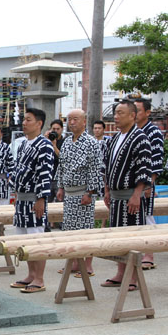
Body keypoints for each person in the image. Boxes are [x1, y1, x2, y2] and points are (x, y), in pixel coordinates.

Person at [100, 100, 152, 291]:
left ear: (132, 115)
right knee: (118, 237)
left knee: (132, 237)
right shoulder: (114, 138)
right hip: (115, 196)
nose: (116, 116)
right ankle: (121, 273)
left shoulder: (140, 138)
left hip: (131, 195)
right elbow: (107, 166)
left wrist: (137, 194)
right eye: (115, 113)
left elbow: (144, 168)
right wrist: (107, 190)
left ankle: (133, 277)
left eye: (121, 113)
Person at [9, 108, 55, 294]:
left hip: (35, 198)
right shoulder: (23, 144)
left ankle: (39, 278)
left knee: (37, 239)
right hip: (21, 199)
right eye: (24, 119)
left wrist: (41, 198)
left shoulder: (44, 145)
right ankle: (30, 274)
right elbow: (17, 170)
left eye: (28, 120)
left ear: (39, 123)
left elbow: (45, 173)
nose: (24, 123)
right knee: (24, 240)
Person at [55, 109, 104, 277]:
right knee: (70, 229)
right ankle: (74, 263)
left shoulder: (91, 142)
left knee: (85, 230)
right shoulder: (67, 142)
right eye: (69, 119)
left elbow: (95, 169)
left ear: (84, 121)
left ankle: (88, 265)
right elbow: (61, 166)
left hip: (83, 191)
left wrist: (90, 192)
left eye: (75, 119)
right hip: (69, 192)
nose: (72, 122)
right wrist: (60, 187)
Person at [133, 98, 164, 270]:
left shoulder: (153, 132)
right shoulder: (132, 130)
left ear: (147, 112)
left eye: (138, 110)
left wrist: (149, 183)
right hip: (131, 183)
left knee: (146, 216)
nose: (135, 114)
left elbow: (157, 160)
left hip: (145, 182)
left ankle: (149, 254)